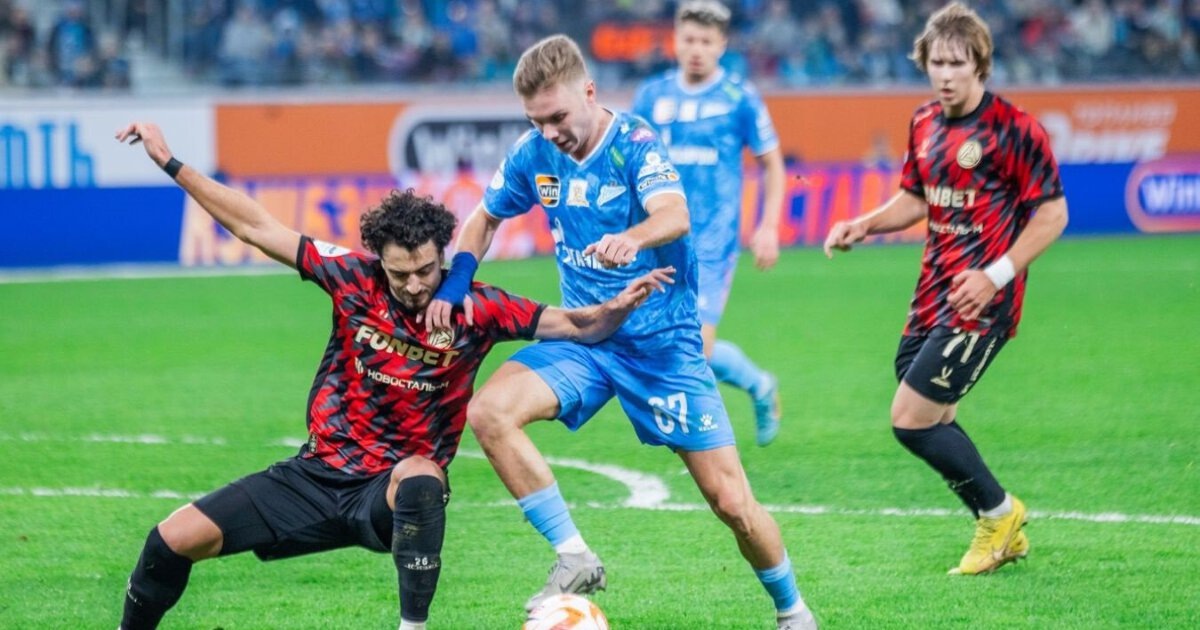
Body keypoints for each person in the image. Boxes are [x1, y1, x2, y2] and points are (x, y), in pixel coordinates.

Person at [114, 121, 674, 630]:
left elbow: (576, 325)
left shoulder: (478, 308)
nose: (413, 285)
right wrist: (171, 162)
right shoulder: (351, 278)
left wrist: (617, 308)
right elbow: (254, 225)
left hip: (391, 496)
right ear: (378, 260)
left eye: (425, 270)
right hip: (316, 476)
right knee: (169, 540)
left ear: (442, 256)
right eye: (399, 273)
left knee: (423, 475)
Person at [424, 35, 817, 629]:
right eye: (536, 121)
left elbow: (675, 214)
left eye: (558, 117)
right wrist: (456, 282)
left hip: (662, 350)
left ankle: (794, 612)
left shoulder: (634, 143)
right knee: (490, 413)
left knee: (732, 502)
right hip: (585, 337)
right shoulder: (534, 153)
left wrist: (632, 239)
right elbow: (484, 217)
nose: (549, 131)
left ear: (589, 92)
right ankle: (574, 556)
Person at [823, 1, 1069, 576]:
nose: (946, 74)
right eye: (937, 62)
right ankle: (1001, 526)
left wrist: (994, 276)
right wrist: (865, 224)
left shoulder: (1014, 129)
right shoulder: (924, 122)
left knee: (910, 419)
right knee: (926, 408)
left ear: (980, 64)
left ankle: (998, 515)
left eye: (957, 63)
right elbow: (917, 197)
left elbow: (1053, 215)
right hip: (934, 290)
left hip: (984, 301)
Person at [631, 0, 787, 447]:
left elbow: (773, 164)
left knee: (694, 347)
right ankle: (758, 383)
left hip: (712, 243)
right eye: (689, 39)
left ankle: (709, 449)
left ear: (722, 45)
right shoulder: (652, 95)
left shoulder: (739, 98)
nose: (696, 49)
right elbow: (629, 161)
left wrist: (768, 226)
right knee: (659, 342)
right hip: (658, 238)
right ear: (675, 41)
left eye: (706, 41)